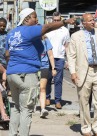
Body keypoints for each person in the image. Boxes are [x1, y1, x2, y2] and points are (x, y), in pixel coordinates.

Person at [5, 8, 75, 136]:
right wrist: (65, 21)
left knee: (16, 107)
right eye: (34, 17)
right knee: (26, 109)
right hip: (26, 75)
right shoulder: (29, 30)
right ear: (26, 18)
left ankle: (12, 134)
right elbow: (48, 27)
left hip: (12, 74)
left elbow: (7, 54)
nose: (37, 20)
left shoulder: (12, 33)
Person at [67, 13, 97, 136]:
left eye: (93, 20)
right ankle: (86, 127)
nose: (93, 22)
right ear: (84, 23)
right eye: (90, 20)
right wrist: (72, 72)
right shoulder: (76, 36)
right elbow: (71, 56)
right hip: (84, 72)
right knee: (84, 101)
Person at [45, 12, 71, 109]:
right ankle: (47, 97)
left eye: (58, 20)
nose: (56, 22)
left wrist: (68, 60)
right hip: (47, 57)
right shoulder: (47, 29)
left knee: (58, 80)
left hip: (59, 57)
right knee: (47, 79)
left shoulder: (65, 30)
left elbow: (67, 45)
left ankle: (57, 100)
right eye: (54, 20)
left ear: (60, 20)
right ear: (52, 19)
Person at [39, 36, 56, 118]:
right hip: (32, 67)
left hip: (44, 66)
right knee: (31, 88)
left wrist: (53, 68)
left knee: (42, 88)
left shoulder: (45, 40)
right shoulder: (30, 39)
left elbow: (50, 55)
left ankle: (43, 109)